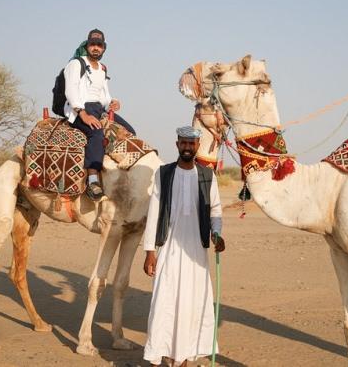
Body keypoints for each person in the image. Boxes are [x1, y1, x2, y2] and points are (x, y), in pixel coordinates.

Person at [142, 126, 226, 367]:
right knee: (164, 302)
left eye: (192, 143)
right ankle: (161, 355)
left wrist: (217, 233)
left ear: (197, 146)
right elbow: (154, 212)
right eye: (183, 143)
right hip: (168, 248)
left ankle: (183, 358)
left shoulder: (207, 176)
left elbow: (216, 210)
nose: (187, 147)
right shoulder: (164, 173)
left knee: (192, 303)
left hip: (196, 253)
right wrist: (150, 252)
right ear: (177, 144)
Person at [64, 28, 135, 200]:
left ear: (104, 48)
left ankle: (116, 173)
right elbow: (71, 90)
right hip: (79, 108)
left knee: (129, 131)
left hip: (98, 109)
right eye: (92, 44)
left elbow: (103, 96)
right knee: (96, 133)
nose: (96, 48)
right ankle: (93, 180)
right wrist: (82, 113)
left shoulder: (102, 69)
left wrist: (112, 102)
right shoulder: (76, 64)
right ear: (87, 45)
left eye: (99, 45)